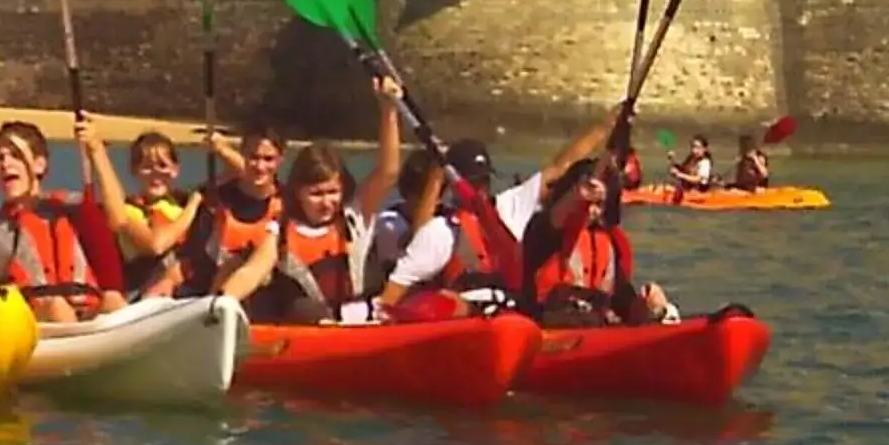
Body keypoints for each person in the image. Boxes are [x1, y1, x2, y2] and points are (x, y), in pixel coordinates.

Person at [376, 115, 614, 319]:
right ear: (453, 184)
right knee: (443, 301)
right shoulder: (441, 231)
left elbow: (561, 167)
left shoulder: (512, 205)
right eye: (473, 181)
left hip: (512, 311)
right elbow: (395, 290)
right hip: (466, 315)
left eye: (484, 181)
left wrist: (608, 124)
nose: (479, 189)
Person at [251, 79, 404, 326]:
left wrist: (389, 111)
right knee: (299, 307)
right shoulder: (280, 231)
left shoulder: (355, 215)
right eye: (316, 194)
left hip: (364, 322)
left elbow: (388, 172)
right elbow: (252, 272)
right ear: (298, 192)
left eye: (332, 192)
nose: (326, 203)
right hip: (315, 330)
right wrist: (222, 301)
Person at [0, 114, 122, 324]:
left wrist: (96, 150)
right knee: (56, 306)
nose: (5, 163)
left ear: (39, 165)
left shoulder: (71, 208)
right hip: (33, 322)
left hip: (85, 314)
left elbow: (119, 218)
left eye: (16, 155)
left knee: (114, 301)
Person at [521, 158, 675, 326]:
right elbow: (552, 222)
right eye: (585, 202)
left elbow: (621, 300)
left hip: (597, 331)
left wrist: (646, 305)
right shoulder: (544, 230)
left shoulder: (611, 242)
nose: (590, 210)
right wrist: (576, 196)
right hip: (548, 329)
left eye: (598, 205)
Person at [177, 123, 285, 306]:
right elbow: (194, 261)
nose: (260, 166)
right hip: (214, 295)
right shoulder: (215, 201)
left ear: (281, 160)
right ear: (243, 155)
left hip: (269, 301)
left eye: (268, 159)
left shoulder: (289, 203)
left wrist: (223, 150)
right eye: (253, 157)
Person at [108, 129, 199, 299]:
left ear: (175, 170)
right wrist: (192, 208)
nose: (155, 173)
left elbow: (244, 175)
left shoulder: (182, 201)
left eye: (163, 165)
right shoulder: (128, 210)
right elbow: (156, 245)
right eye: (147, 167)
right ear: (135, 170)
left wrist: (223, 150)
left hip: (184, 290)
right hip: (142, 293)